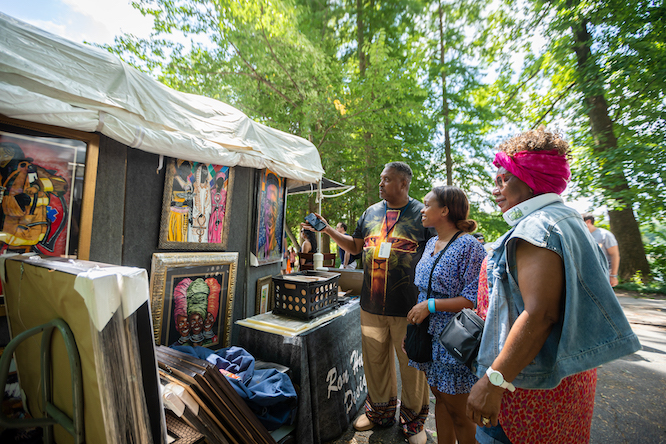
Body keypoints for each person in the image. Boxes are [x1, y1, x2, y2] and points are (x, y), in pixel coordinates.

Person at [466, 127, 641, 444]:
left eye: (504, 179)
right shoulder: (567, 219)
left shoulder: (539, 225)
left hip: (525, 396)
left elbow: (540, 314)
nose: (496, 189)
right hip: (563, 384)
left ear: (530, 177)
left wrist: (492, 382)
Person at [304, 162, 434, 444]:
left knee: (411, 366)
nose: (381, 183)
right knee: (375, 362)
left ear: (403, 183)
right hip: (371, 306)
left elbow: (436, 257)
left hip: (409, 308)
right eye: (380, 178)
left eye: (386, 179)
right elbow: (354, 247)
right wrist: (326, 230)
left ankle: (414, 422)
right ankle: (380, 412)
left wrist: (431, 301)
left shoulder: (422, 216)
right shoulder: (370, 213)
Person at [405, 186, 486, 444]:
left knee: (460, 413)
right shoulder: (430, 243)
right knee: (440, 399)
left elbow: (472, 299)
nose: (422, 210)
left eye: (427, 204)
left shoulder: (468, 246)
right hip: (427, 337)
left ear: (445, 210)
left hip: (453, 340)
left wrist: (430, 306)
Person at [582, 213, 620, 287]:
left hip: (603, 275)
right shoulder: (583, 236)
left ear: (588, 222)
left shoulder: (604, 235)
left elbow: (614, 255)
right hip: (587, 275)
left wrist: (613, 275)